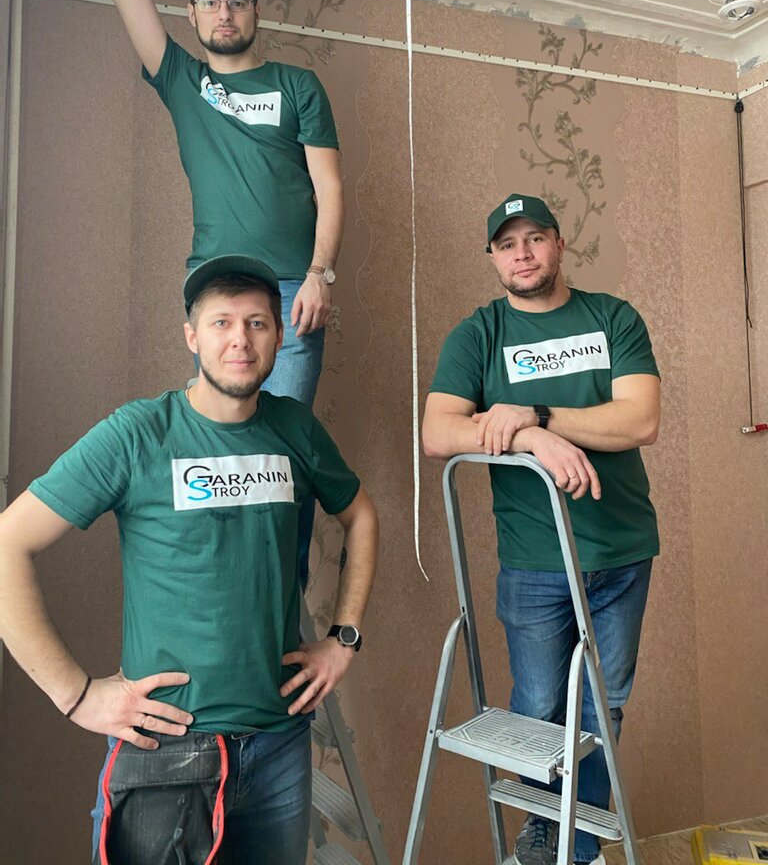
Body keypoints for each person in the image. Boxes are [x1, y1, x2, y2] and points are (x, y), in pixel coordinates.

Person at [0, 254, 377, 865]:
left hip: (280, 746)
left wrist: (344, 638)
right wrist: (75, 696)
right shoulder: (138, 434)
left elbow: (361, 515)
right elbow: (7, 544)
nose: (240, 339)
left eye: (257, 323)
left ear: (278, 335)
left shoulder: (295, 429)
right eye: (221, 322)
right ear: (191, 337)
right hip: (167, 747)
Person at [101, 0, 345, 579]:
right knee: (224, 449)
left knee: (283, 454)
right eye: (209, 2)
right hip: (215, 295)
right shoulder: (183, 80)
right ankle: (226, 588)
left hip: (291, 294)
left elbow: (330, 187)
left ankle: (284, 598)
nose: (224, 13)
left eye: (237, 2)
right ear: (192, 12)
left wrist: (320, 273)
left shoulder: (297, 85)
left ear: (255, 11)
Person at [422, 193, 660, 865]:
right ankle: (542, 828)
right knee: (537, 709)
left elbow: (640, 419)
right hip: (534, 562)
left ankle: (576, 847)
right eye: (507, 244)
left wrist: (536, 415)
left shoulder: (612, 317)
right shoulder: (479, 334)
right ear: (493, 258)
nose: (522, 254)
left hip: (622, 551)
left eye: (534, 238)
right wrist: (529, 438)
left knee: (603, 710)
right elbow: (438, 432)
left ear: (559, 243)